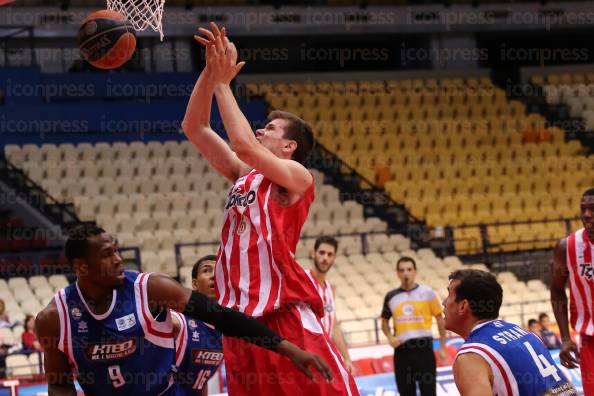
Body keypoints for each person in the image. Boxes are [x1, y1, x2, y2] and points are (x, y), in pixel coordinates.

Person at [182, 23, 358, 395]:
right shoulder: (243, 175)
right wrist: (210, 72)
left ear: (290, 147)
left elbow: (245, 145)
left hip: (281, 314)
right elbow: (195, 126)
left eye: (271, 128)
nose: (262, 131)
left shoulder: (297, 177)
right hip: (239, 321)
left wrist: (223, 84)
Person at [34, 225, 332, 396]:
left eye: (116, 250)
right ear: (81, 267)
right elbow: (59, 384)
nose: (118, 259)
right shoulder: (54, 318)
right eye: (106, 254)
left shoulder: (150, 290)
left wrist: (287, 348)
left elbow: (222, 317)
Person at [444, 269, 577, 395]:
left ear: (463, 306)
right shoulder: (525, 333)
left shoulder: (471, 356)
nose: (444, 302)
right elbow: (566, 388)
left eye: (449, 295)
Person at [380, 256, 447, 396]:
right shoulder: (391, 296)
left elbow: (440, 318)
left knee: (428, 392)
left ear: (415, 272)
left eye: (409, 269)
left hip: (424, 350)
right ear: (397, 273)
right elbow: (384, 321)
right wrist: (390, 336)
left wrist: (442, 346)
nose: (406, 273)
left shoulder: (427, 292)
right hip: (402, 351)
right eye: (402, 270)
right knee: (406, 392)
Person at [551, 187, 594, 394]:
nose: (586, 214)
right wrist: (566, 338)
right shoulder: (566, 247)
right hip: (589, 341)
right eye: (583, 209)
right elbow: (557, 290)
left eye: (593, 209)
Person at [172, 255, 222, 395]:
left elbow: (201, 382)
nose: (214, 275)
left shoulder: (224, 330)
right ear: (194, 284)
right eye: (207, 270)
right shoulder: (179, 318)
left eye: (219, 270)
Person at [306, 236, 354, 373]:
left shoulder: (330, 289)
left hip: (325, 354)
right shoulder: (303, 280)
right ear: (313, 253)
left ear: (334, 258)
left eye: (330, 254)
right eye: (321, 253)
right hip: (307, 354)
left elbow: (334, 326)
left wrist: (347, 358)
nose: (325, 258)